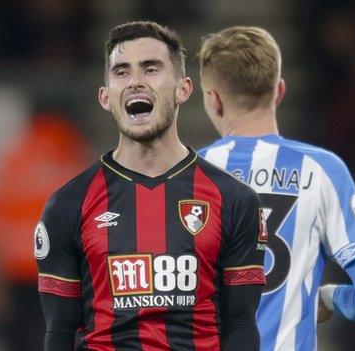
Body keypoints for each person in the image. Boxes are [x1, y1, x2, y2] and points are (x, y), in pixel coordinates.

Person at [35, 21, 266, 351]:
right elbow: (59, 333)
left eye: (151, 69)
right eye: (122, 72)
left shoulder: (234, 200)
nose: (135, 82)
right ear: (105, 96)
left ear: (183, 89)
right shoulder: (68, 205)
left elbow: (241, 326)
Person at [197, 26, 355, 351]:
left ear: (213, 100)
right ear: (279, 91)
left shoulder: (188, 176)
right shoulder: (323, 171)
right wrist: (329, 298)